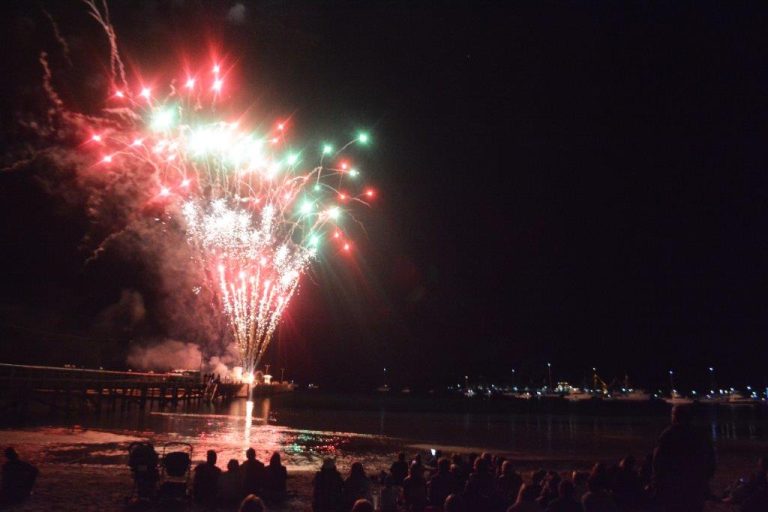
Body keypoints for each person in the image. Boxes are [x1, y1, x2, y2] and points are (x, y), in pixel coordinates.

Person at [652, 405, 715, 512]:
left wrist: (658, 481)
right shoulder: (699, 435)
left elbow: (658, 461)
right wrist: (705, 478)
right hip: (695, 484)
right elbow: (710, 459)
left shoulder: (668, 434)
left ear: (675, 416)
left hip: (673, 485)